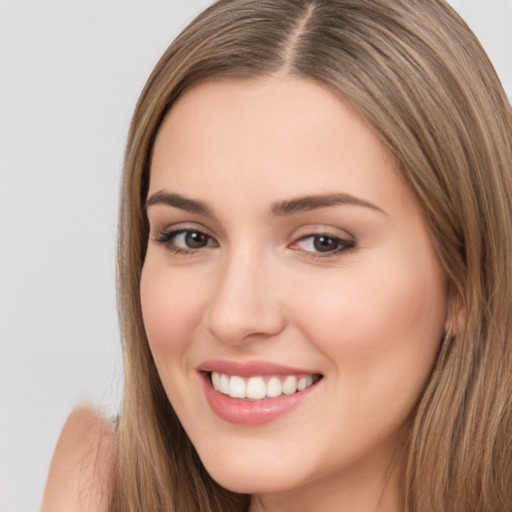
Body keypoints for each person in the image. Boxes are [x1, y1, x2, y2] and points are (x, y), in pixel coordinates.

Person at [41, 0, 512, 511]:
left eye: (321, 242)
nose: (232, 315)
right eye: (191, 237)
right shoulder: (102, 484)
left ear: (466, 279)